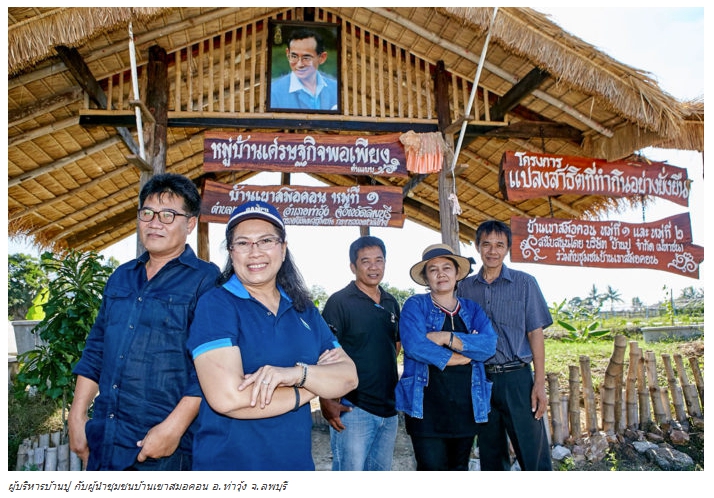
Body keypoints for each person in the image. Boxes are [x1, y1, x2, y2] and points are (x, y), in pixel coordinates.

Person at [186, 200, 358, 470]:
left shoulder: (304, 310)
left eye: (266, 240)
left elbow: (348, 377)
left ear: (283, 248)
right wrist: (313, 386)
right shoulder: (216, 305)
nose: (255, 252)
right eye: (243, 243)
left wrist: (295, 374)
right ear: (231, 252)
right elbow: (228, 399)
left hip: (296, 466)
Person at [68, 173, 221, 471]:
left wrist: (173, 429)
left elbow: (210, 367)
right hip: (105, 438)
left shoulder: (207, 280)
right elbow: (96, 349)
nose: (154, 223)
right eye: (147, 213)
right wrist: (77, 416)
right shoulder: (121, 277)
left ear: (190, 224)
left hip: (164, 447)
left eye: (168, 215)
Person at [457, 220, 554, 471]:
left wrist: (539, 383)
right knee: (491, 454)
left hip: (517, 379)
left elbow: (535, 333)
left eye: (499, 245)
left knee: (533, 454)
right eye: (486, 244)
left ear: (508, 248)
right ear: (477, 247)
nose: (493, 251)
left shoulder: (525, 283)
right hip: (481, 379)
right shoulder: (465, 288)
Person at [396, 243, 497, 471]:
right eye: (433, 269)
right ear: (426, 278)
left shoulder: (472, 309)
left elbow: (489, 345)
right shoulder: (415, 306)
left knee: (459, 469)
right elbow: (415, 346)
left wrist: (445, 337)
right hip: (426, 409)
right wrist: (463, 356)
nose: (440, 274)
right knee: (431, 469)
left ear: (457, 273)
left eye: (446, 268)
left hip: (466, 407)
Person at [319, 236, 401, 471]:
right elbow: (324, 353)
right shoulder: (339, 302)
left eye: (379, 260)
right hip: (353, 407)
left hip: (389, 409)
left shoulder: (390, 302)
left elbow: (395, 345)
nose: (373, 267)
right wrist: (326, 399)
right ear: (353, 267)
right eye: (365, 261)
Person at [270, 28, 338, 111]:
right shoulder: (274, 92)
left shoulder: (336, 88)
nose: (299, 64)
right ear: (287, 54)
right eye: (294, 56)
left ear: (322, 58)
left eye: (306, 58)